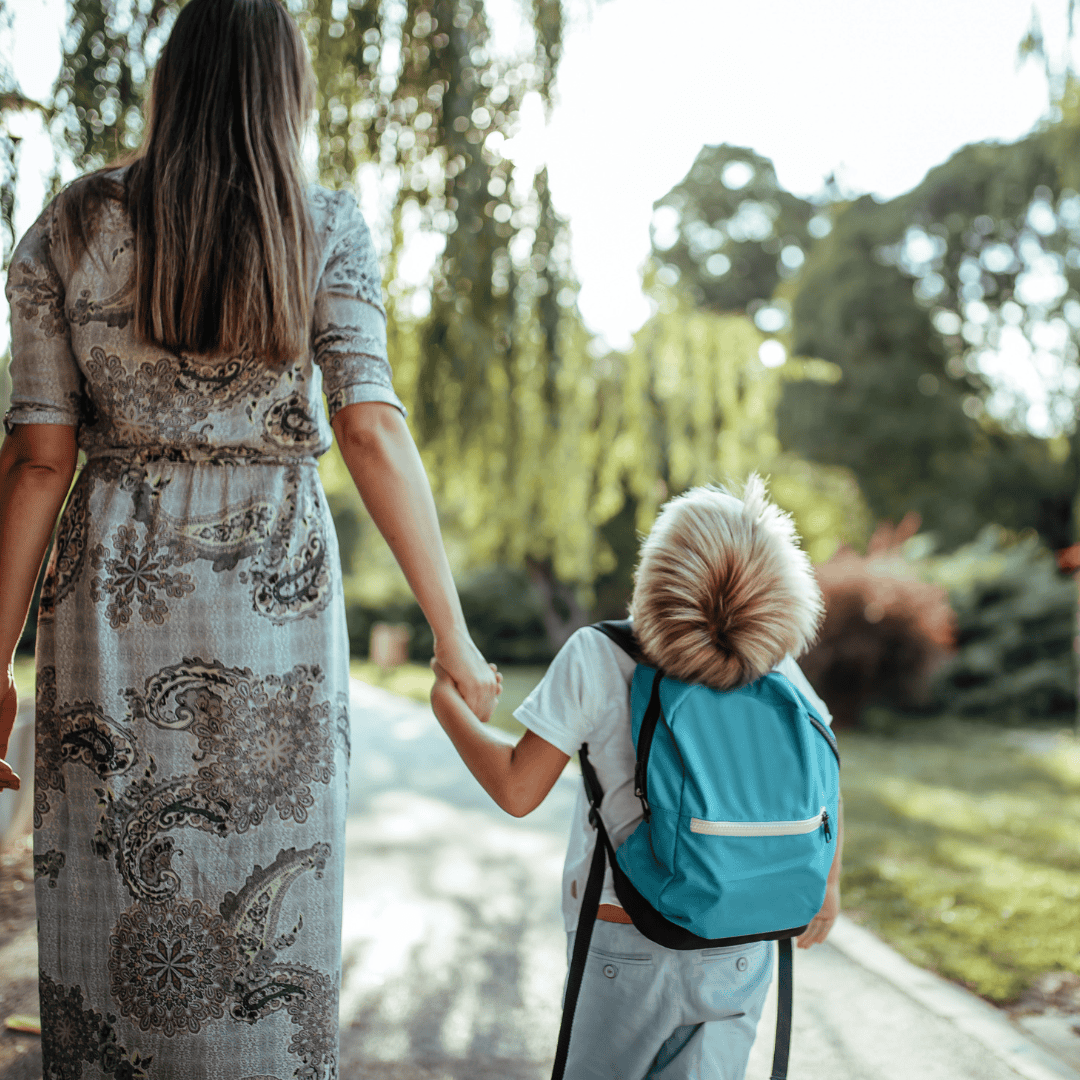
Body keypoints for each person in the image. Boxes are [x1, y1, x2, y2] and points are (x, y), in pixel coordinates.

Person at [0, 0, 498, 1076]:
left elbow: (38, 458)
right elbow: (370, 427)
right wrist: (452, 635)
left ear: (168, 82)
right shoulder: (323, 224)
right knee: (274, 874)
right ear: (287, 92)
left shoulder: (71, 226)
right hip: (275, 578)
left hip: (108, 592)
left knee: (104, 871)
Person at [429, 476, 844, 1080]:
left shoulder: (598, 654)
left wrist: (446, 702)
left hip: (627, 938)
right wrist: (827, 887)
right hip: (744, 940)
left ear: (659, 574)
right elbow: (825, 771)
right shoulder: (771, 665)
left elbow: (518, 789)